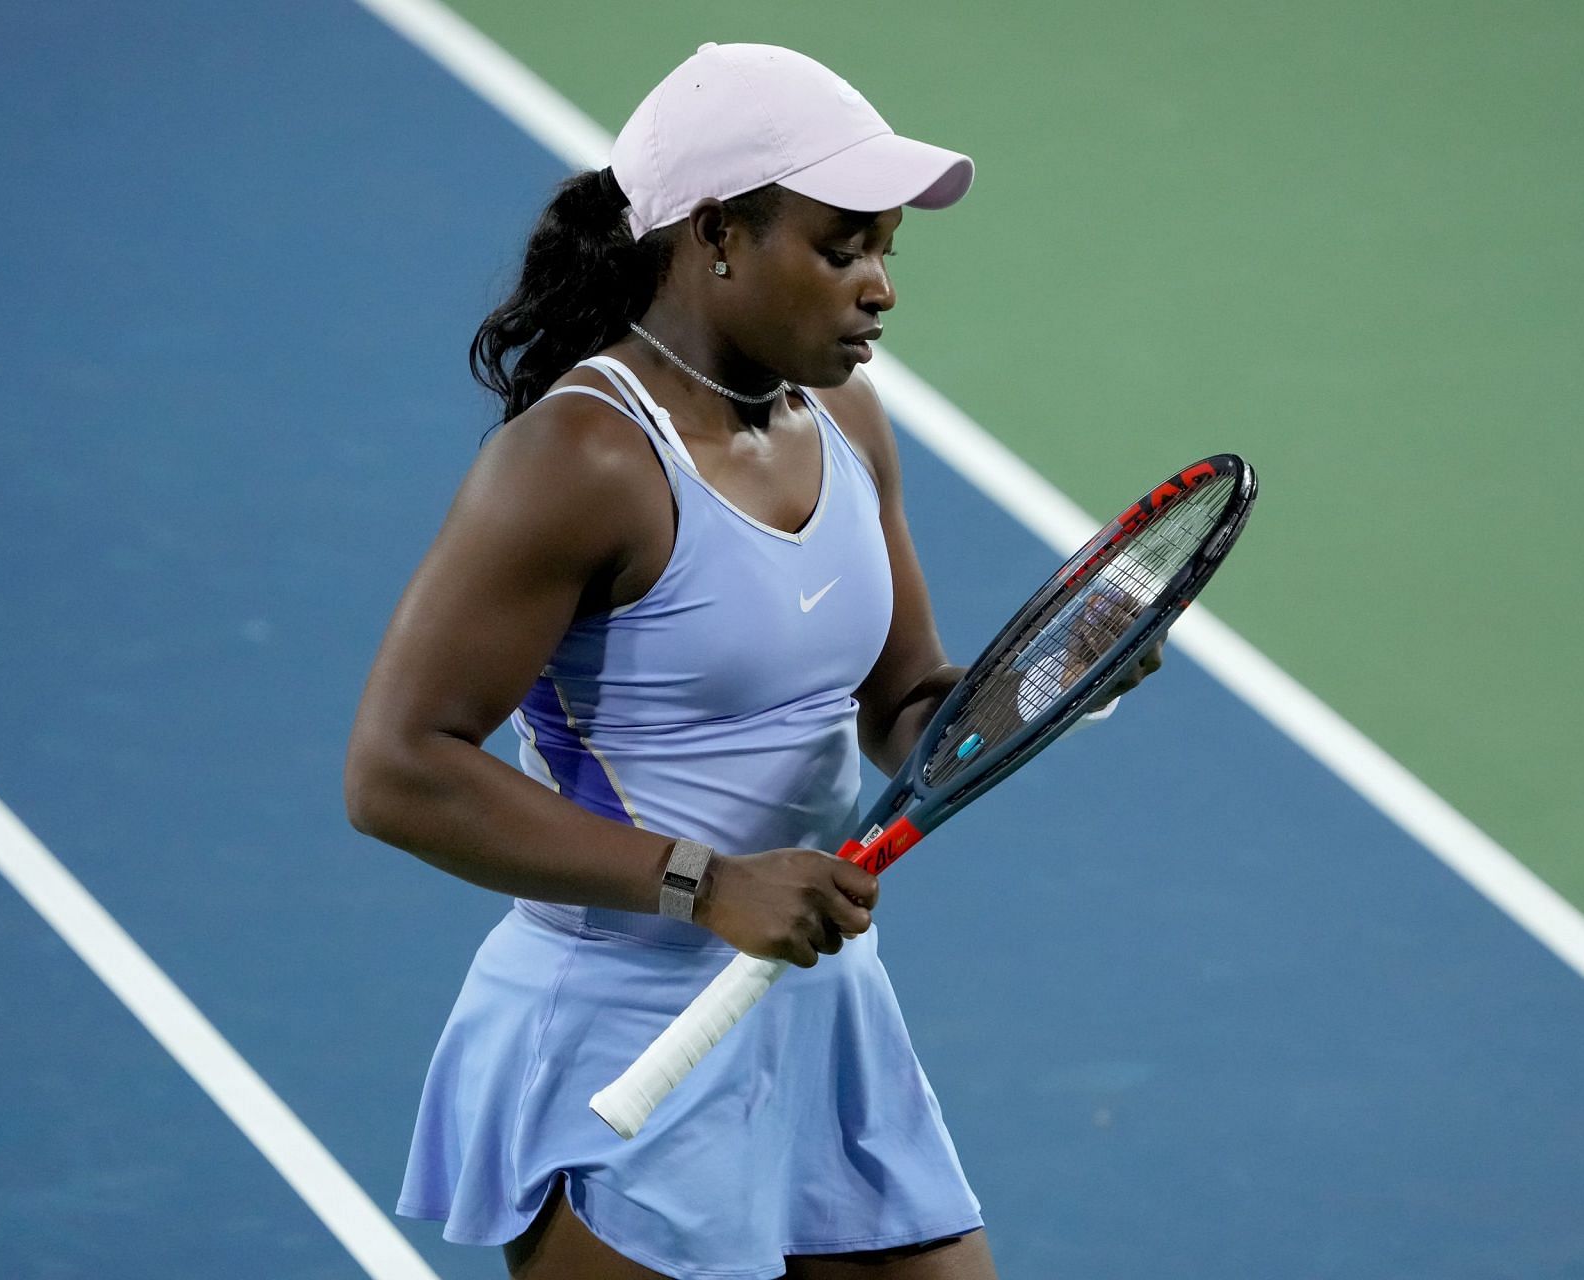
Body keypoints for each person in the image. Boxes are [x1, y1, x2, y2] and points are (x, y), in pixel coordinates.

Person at [345, 42, 1158, 1279]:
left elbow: (907, 705)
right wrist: (704, 883)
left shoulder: (847, 419)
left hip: (815, 1003)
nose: (880, 286)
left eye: (887, 248)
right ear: (719, 231)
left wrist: (1048, 680)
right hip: (622, 1029)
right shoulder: (581, 460)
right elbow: (398, 771)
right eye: (843, 248)